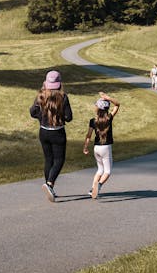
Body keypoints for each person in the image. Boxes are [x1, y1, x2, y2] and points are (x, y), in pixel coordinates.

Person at [30, 70, 73, 202]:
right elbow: (69, 117)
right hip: (57, 132)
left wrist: (41, 116)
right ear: (59, 84)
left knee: (48, 159)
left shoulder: (41, 96)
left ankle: (50, 187)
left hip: (43, 132)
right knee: (59, 160)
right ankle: (49, 184)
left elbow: (32, 112)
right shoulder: (63, 97)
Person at [83, 91, 120, 199]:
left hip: (96, 148)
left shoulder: (92, 121)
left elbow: (88, 135)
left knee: (100, 170)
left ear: (97, 108)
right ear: (107, 109)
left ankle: (92, 189)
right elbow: (117, 104)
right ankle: (98, 186)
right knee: (107, 171)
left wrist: (85, 146)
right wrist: (107, 97)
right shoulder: (109, 118)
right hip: (106, 148)